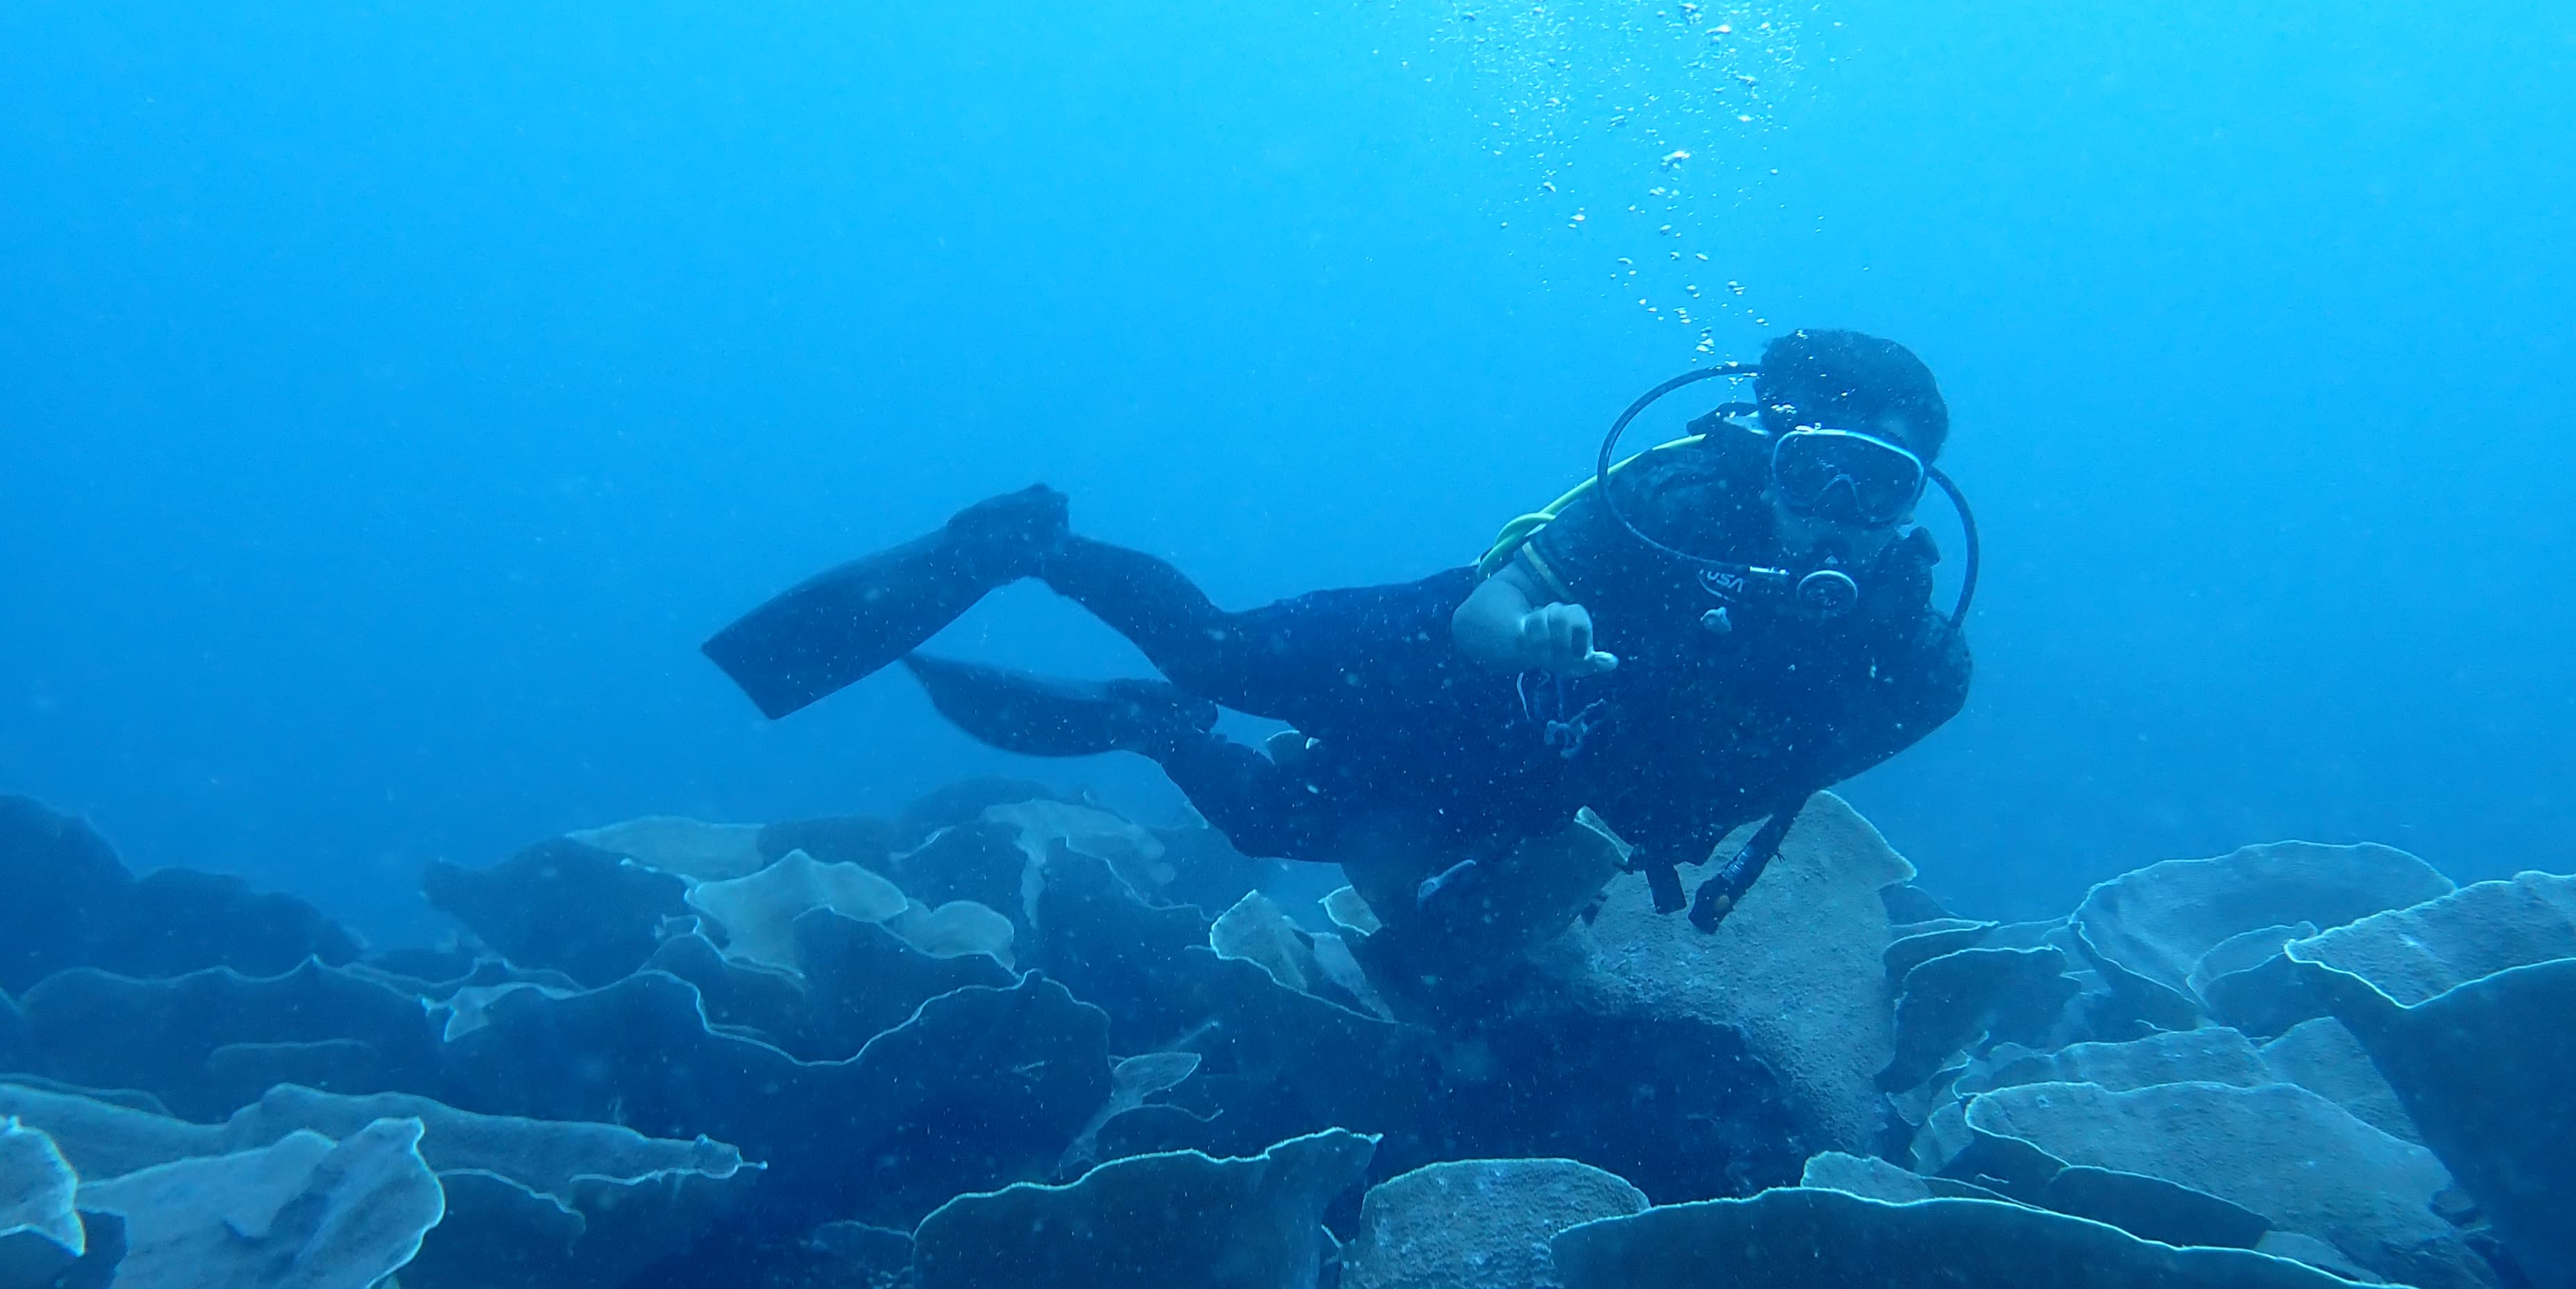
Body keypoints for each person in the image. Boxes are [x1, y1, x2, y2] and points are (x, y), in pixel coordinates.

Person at [703, 328, 1972, 958]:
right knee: (1213, 649)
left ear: (1920, 499)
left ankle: (1147, 727)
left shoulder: (1919, 659)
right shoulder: (1666, 504)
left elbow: (1754, 781)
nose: (1841, 517)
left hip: (1528, 771)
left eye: (1885, 488)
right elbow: (1488, 605)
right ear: (1771, 455)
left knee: (1270, 825)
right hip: (1436, 656)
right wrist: (1532, 633)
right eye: (1823, 472)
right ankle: (1029, 544)